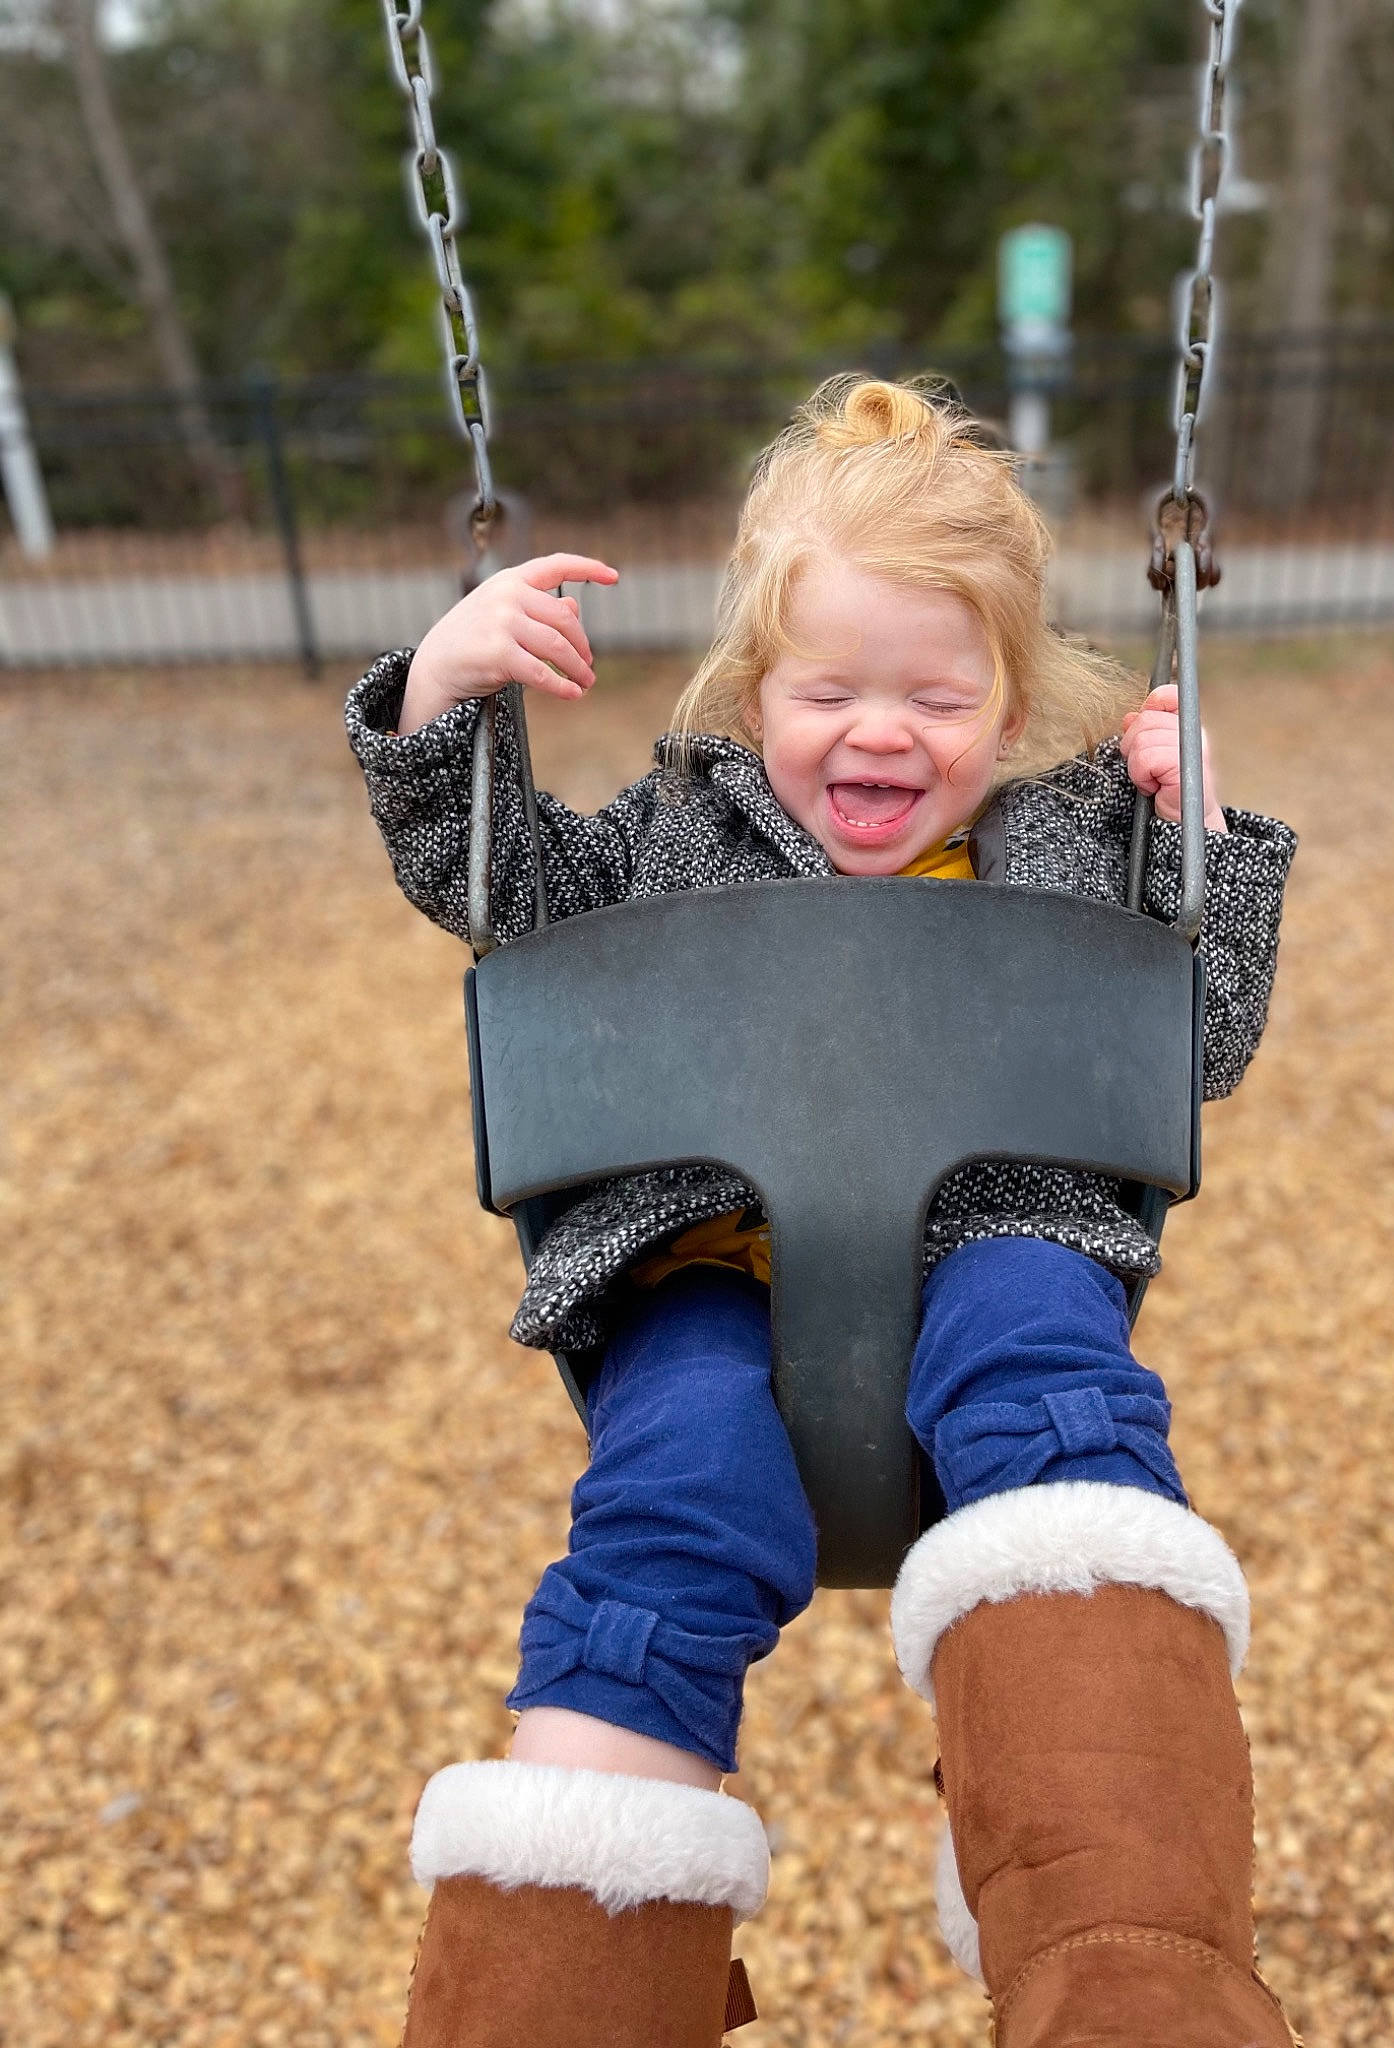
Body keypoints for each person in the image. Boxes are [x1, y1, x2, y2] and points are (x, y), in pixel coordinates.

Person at [345, 377, 1299, 2048]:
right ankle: (548, 2004)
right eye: (829, 689)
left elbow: (1193, 1050)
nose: (881, 732)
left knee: (1054, 1387)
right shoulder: (673, 837)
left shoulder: (1069, 843)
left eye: (937, 694)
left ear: (1008, 709)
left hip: (999, 1248)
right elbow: (501, 899)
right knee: (673, 1498)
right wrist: (444, 699)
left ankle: (1128, 1956)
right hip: (704, 1272)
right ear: (755, 690)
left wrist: (1197, 842)